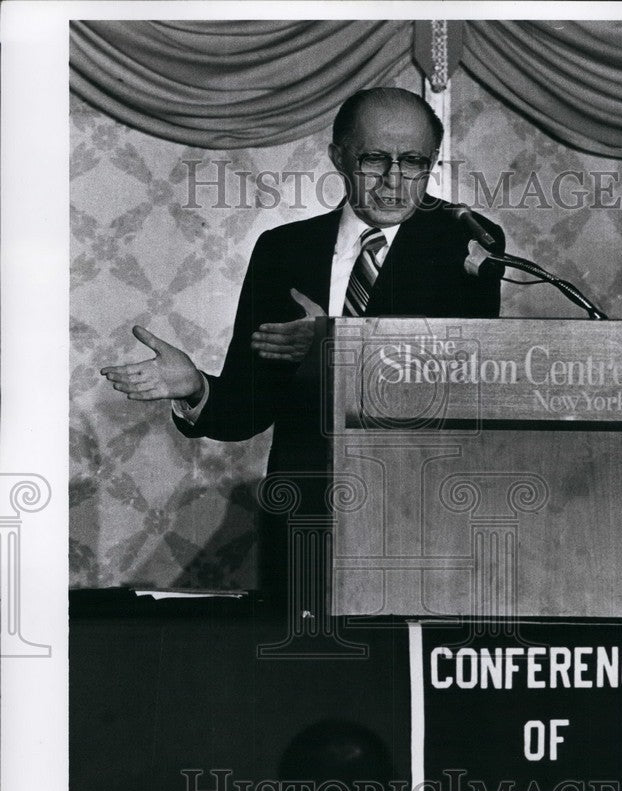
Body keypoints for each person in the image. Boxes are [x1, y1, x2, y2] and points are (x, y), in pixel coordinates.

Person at [100, 87, 504, 597]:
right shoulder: (283, 251)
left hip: (423, 517)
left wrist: (333, 348)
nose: (395, 179)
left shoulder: (466, 244)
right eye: (375, 159)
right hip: (305, 518)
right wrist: (195, 387)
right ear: (339, 157)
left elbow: (462, 389)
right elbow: (250, 408)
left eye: (414, 162)